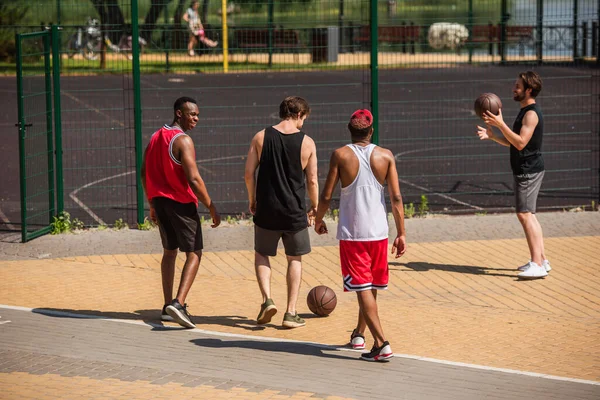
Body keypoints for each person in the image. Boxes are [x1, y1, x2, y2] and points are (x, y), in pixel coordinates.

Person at [314, 109, 406, 362]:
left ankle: (382, 343)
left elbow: (326, 195)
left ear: (349, 129)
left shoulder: (341, 155)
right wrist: (402, 233)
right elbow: (396, 197)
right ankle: (359, 335)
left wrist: (318, 218)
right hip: (379, 233)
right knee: (370, 287)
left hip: (353, 233)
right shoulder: (386, 156)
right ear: (371, 130)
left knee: (363, 288)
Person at [141, 96, 221, 328]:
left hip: (160, 203)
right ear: (179, 113)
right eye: (192, 114)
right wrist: (211, 206)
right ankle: (178, 303)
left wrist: (152, 203)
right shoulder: (183, 141)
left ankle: (167, 307)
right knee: (194, 252)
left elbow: (144, 170)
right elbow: (194, 178)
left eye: (197, 115)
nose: (196, 118)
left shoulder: (156, 137)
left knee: (169, 252)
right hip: (180, 204)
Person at [244, 96, 318, 329]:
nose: (303, 123)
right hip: (294, 210)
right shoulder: (307, 143)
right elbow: (313, 180)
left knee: (262, 254)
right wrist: (315, 207)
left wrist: (253, 199)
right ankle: (291, 312)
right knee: (294, 258)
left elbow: (248, 174)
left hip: (267, 207)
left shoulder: (260, 137)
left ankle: (267, 300)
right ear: (298, 114)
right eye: (304, 119)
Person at [477, 71, 550, 279]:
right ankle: (542, 260)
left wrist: (500, 124)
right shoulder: (525, 111)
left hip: (529, 170)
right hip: (526, 168)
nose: (513, 88)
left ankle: (537, 263)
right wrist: (493, 136)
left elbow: (520, 143)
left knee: (524, 214)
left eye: (517, 86)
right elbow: (513, 141)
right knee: (529, 214)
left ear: (528, 90)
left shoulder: (531, 114)